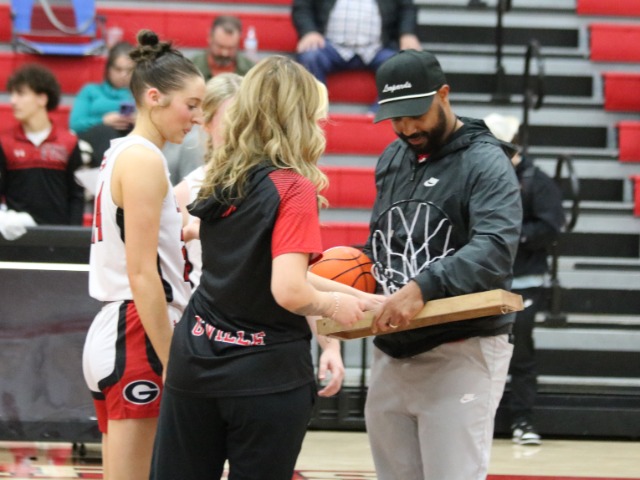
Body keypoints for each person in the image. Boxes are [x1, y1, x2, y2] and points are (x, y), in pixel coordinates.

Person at [150, 55, 384, 480]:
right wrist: (334, 306)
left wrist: (363, 298)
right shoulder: (293, 187)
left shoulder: (223, 175)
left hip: (197, 357)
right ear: (302, 116)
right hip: (263, 374)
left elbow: (262, 268)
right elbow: (289, 290)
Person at [361, 49, 523, 480]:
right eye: (396, 118)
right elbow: (385, 241)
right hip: (393, 347)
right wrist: (346, 272)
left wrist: (423, 287)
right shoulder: (392, 157)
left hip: (462, 347)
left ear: (444, 95)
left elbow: (494, 249)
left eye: (416, 114)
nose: (407, 128)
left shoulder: (486, 161)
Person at [81, 29, 205, 480]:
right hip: (137, 329)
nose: (197, 118)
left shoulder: (122, 153)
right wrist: (172, 359)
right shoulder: (144, 159)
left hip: (121, 327)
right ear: (154, 97)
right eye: (191, 105)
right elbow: (142, 273)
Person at [484, 112, 565, 446]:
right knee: (476, 352)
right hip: (485, 282)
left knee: (520, 351)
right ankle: (477, 419)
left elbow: (550, 227)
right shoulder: (480, 175)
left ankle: (522, 420)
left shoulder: (536, 181)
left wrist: (508, 235)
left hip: (525, 281)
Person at [0, 64, 85, 240]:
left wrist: (73, 237)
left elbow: (77, 196)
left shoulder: (69, 142)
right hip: (16, 238)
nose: (13, 101)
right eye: (12, 94)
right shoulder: (4, 143)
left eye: (21, 94)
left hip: (59, 238)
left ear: (42, 99)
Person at [292, 0, 422, 84]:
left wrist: (407, 33)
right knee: (310, 57)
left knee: (403, 64)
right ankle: (315, 112)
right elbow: (303, 6)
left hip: (377, 49)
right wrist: (309, 31)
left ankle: (381, 116)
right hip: (330, 47)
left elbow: (407, 8)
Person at [70, 42, 136, 166]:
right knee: (105, 131)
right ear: (108, 69)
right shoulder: (90, 91)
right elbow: (75, 124)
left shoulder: (140, 95)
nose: (123, 75)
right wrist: (103, 121)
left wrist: (139, 121)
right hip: (94, 141)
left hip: (128, 139)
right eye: (118, 69)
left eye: (129, 70)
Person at [191, 15, 255, 81]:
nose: (225, 53)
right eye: (220, 46)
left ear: (239, 42)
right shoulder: (191, 68)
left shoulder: (251, 71)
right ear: (210, 37)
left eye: (230, 48)